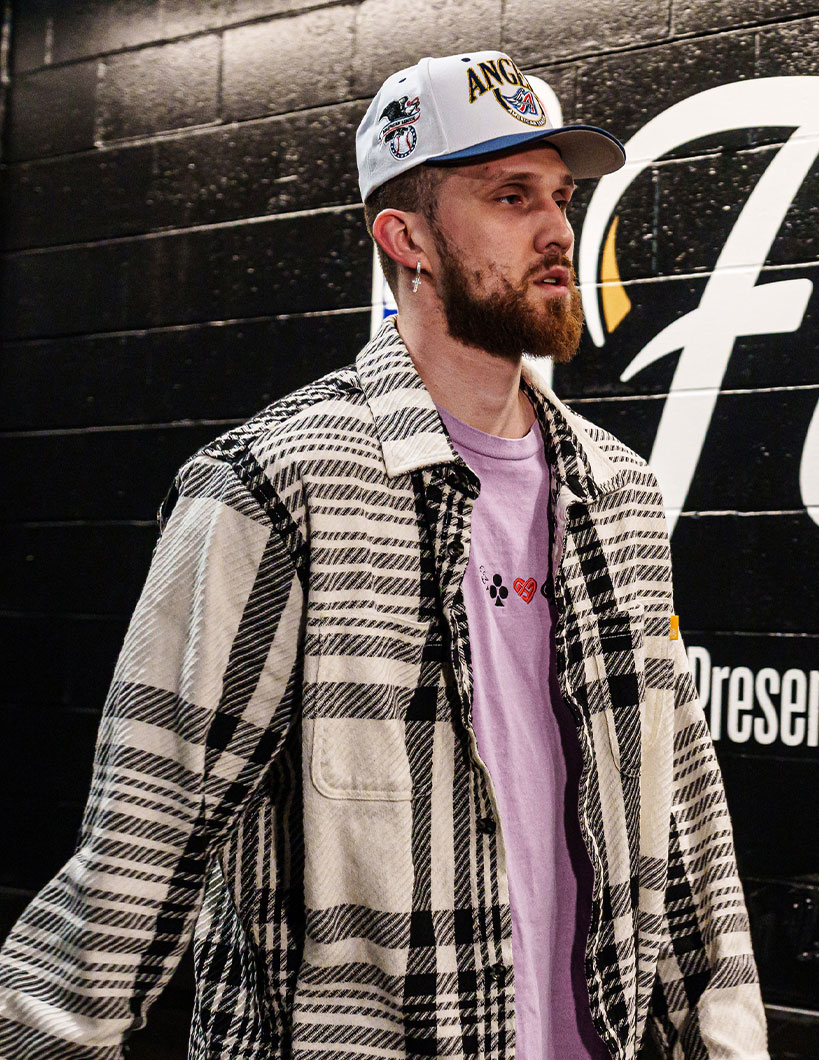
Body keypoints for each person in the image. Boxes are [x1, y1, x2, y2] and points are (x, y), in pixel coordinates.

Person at [0, 50, 767, 1060]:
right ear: (404, 237)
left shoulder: (618, 493)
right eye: (508, 196)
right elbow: (141, 845)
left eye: (559, 196)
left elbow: (685, 817)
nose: (555, 230)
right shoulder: (280, 485)